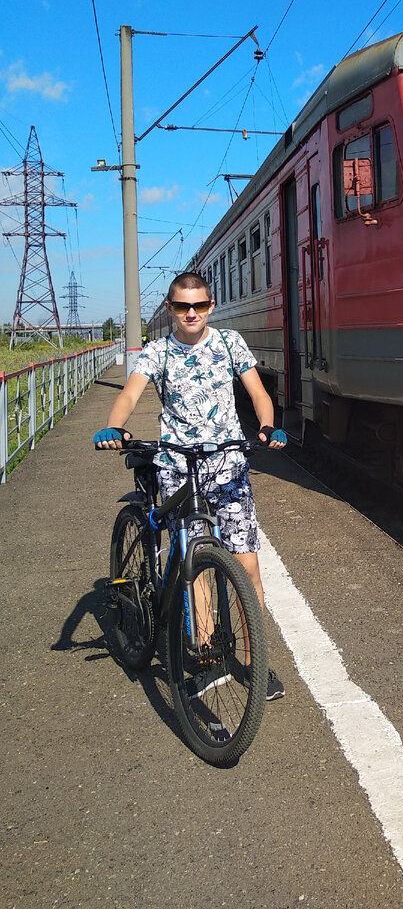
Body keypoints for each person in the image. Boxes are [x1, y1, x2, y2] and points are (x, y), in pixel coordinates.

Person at [94, 270, 287, 701]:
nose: (192, 313)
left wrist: (269, 424)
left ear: (211, 306)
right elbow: (130, 394)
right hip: (179, 465)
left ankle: (257, 664)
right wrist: (114, 427)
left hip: (228, 465)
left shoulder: (229, 343)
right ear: (171, 309)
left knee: (248, 565)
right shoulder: (157, 351)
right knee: (194, 561)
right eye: (183, 306)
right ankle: (204, 656)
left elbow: (257, 393)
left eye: (200, 305)